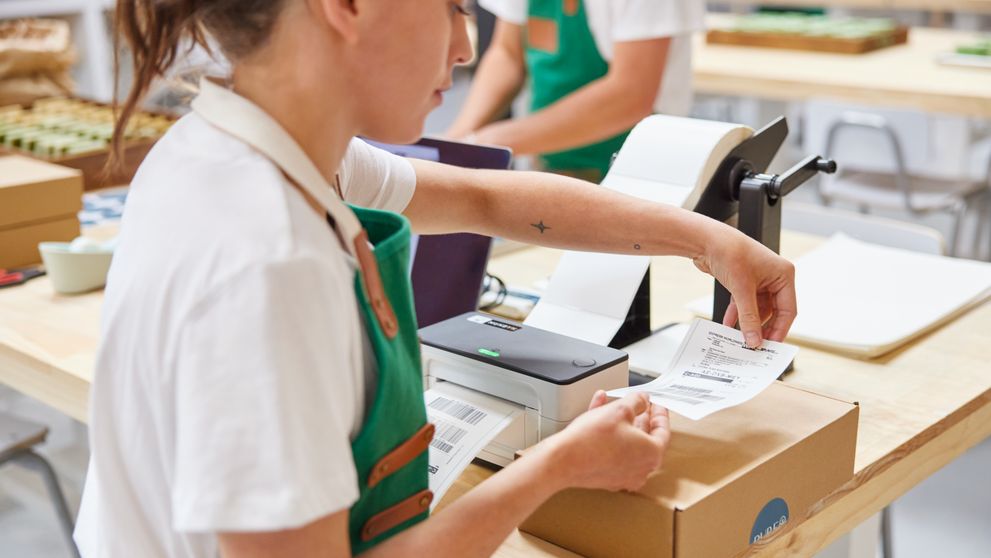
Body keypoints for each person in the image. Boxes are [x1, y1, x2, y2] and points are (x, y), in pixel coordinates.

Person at [74, 1, 796, 557]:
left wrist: (705, 239)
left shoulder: (241, 144)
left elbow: (483, 200)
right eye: (450, 4)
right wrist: (556, 467)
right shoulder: (268, 263)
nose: (466, 44)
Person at [448, 0, 705, 182]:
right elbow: (508, 54)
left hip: (637, 173)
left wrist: (489, 141)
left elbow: (630, 95)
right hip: (549, 168)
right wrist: (456, 140)